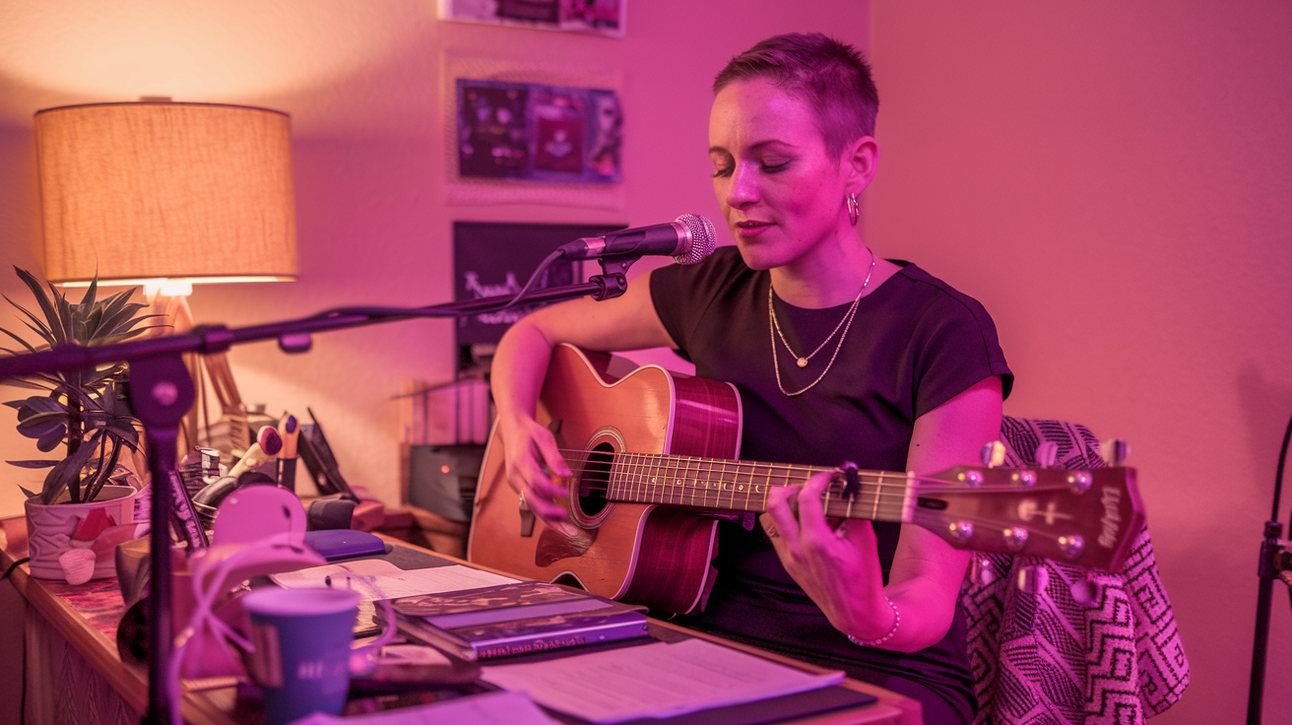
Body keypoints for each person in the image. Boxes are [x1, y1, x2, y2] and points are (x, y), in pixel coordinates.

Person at [490, 32, 1012, 724]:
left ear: (856, 164)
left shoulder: (945, 331)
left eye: (772, 162)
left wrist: (866, 611)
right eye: (722, 165)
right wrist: (521, 422)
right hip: (699, 635)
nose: (737, 193)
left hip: (880, 665)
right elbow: (530, 332)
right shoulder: (711, 288)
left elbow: (924, 603)